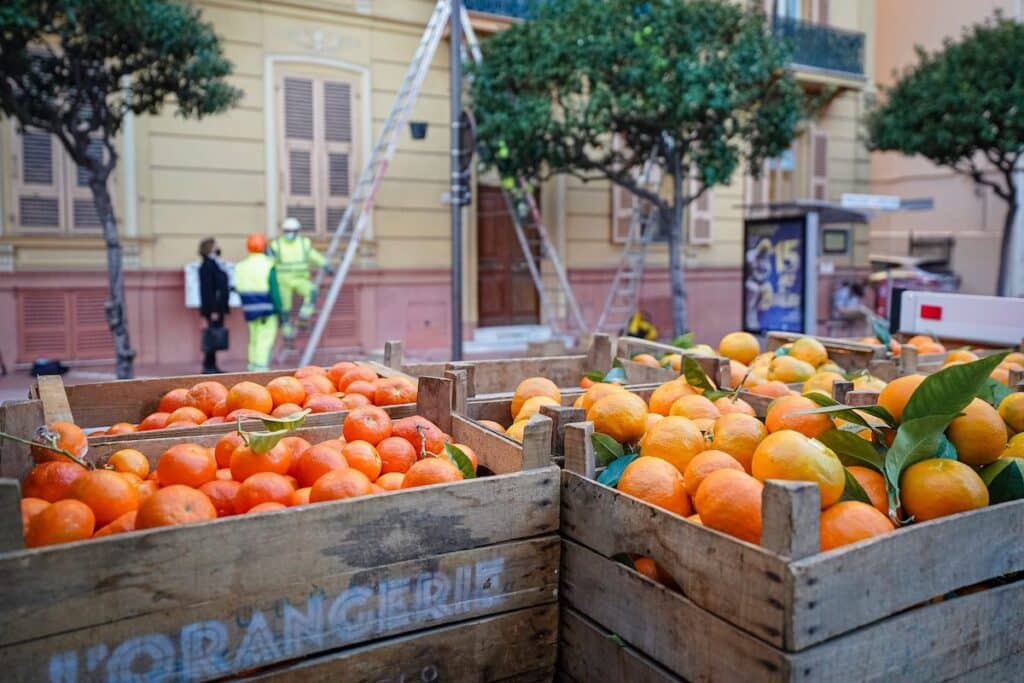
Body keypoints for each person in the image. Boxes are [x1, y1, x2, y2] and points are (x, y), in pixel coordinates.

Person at [269, 217, 325, 340]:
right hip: (283, 282)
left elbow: (313, 255)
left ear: (298, 231)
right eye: (288, 231)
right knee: (284, 308)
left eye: (293, 231)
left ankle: (304, 314)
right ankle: (287, 332)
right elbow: (268, 263)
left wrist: (325, 264)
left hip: (300, 279)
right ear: (284, 231)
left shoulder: (304, 243)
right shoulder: (276, 245)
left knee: (312, 291)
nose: (291, 233)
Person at [234, 234, 281, 371]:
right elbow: (275, 289)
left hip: (249, 309)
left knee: (254, 339)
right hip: (267, 309)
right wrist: (280, 309)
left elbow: (238, 287)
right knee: (264, 340)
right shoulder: (269, 264)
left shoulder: (241, 266)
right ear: (264, 247)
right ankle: (260, 370)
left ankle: (252, 367)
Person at [198, 237, 230, 373]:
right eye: (215, 246)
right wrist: (213, 310)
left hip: (216, 307)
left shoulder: (213, 263)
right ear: (210, 248)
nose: (218, 248)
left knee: (214, 335)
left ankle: (211, 364)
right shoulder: (208, 265)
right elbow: (208, 290)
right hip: (214, 308)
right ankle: (208, 366)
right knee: (213, 335)